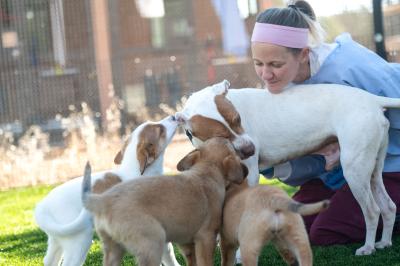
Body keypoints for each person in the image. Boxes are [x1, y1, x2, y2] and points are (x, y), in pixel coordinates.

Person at [251, 0, 400, 245]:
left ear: (304, 54)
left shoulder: (351, 67)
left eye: (275, 65)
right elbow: (308, 158)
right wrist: (270, 164)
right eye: (258, 64)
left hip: (391, 166)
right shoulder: (282, 85)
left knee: (327, 231)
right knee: (290, 225)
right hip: (343, 173)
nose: (266, 75)